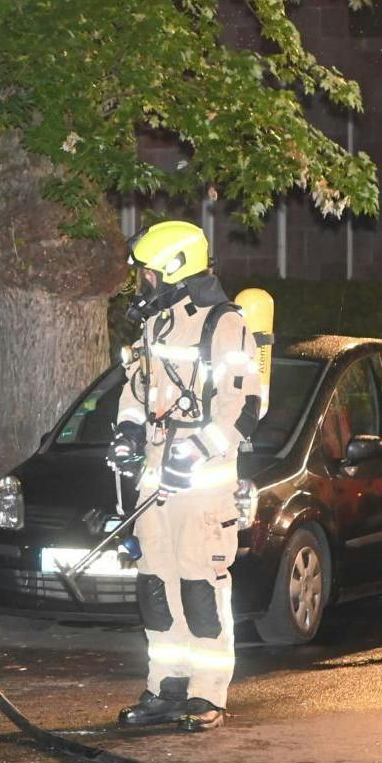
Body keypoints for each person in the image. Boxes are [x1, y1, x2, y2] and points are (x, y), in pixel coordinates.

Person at [109, 221, 262, 732]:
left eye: (148, 274)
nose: (143, 283)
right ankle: (166, 687)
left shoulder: (226, 324)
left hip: (204, 484)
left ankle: (207, 694)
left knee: (200, 587)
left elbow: (243, 409)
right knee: (155, 585)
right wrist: (128, 432)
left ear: (175, 270)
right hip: (157, 480)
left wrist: (194, 452)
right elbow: (136, 390)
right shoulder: (156, 325)